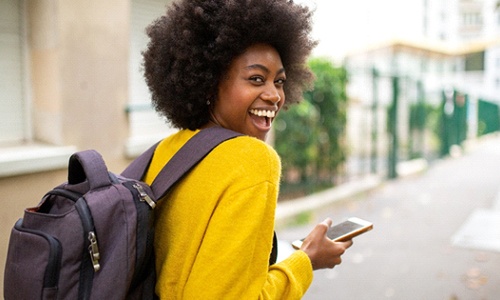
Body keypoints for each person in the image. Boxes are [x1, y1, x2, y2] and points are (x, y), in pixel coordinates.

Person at [141, 0, 353, 298]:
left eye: (279, 81)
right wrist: (306, 261)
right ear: (211, 81)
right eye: (256, 79)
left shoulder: (167, 150)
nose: (274, 96)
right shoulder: (252, 160)